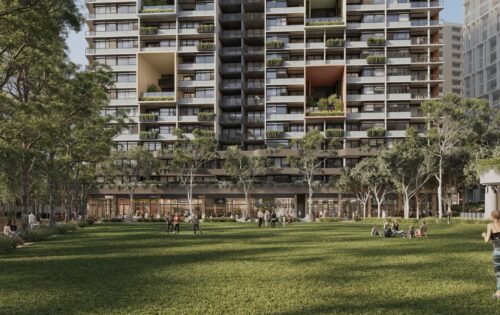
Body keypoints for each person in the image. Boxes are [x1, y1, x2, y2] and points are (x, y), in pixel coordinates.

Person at [481, 210, 500, 299]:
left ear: (493, 216)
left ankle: (498, 293)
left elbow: (487, 240)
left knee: (498, 274)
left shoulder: (490, 226)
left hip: (497, 253)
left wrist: (484, 235)